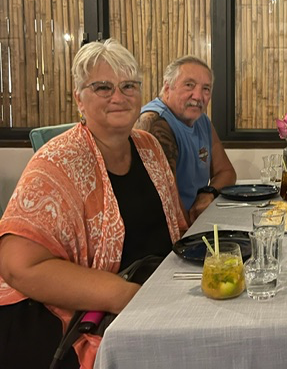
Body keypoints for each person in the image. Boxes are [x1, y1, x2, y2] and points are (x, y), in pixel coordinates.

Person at [0, 39, 188, 369]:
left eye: (128, 86)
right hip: (75, 319)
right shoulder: (57, 162)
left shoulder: (149, 147)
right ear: (79, 99)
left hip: (153, 298)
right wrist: (125, 296)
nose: (119, 96)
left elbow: (177, 230)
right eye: (103, 87)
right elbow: (18, 266)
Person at [136, 56, 236, 224]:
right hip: (171, 229)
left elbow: (226, 172)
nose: (198, 96)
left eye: (206, 89)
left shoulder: (202, 120)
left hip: (196, 222)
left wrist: (208, 192)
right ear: (167, 88)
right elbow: (168, 202)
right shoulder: (155, 123)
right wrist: (191, 233)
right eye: (189, 85)